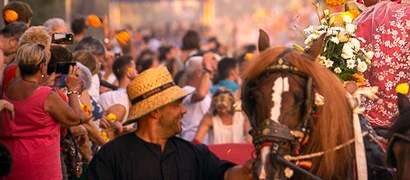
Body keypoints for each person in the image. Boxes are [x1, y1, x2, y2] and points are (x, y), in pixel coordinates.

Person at [86, 66, 253, 179]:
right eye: (176, 105)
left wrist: (248, 169)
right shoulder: (112, 157)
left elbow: (226, 175)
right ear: (155, 111)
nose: (184, 110)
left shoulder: (193, 154)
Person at [0, 43, 87, 180]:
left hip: (12, 163)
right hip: (39, 168)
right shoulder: (46, 95)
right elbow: (75, 118)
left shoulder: (10, 87)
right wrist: (72, 89)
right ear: (42, 67)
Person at [181, 53, 217, 140]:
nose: (211, 75)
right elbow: (201, 94)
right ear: (198, 72)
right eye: (210, 71)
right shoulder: (186, 90)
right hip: (191, 144)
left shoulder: (207, 91)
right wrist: (207, 70)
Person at [99, 54, 136, 133]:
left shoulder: (120, 95)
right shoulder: (122, 101)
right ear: (128, 71)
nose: (137, 72)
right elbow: (105, 131)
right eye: (135, 69)